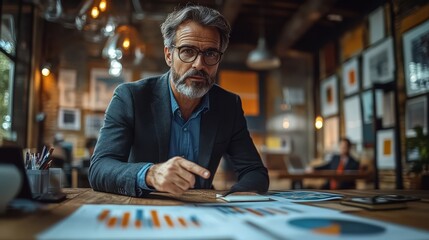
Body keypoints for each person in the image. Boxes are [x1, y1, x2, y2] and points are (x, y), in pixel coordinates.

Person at [89, 5, 269, 197]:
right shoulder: (130, 97)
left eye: (210, 53)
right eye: (187, 51)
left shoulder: (228, 105)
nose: (199, 64)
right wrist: (150, 174)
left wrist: (234, 198)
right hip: (145, 207)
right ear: (169, 55)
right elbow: (99, 168)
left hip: (204, 211)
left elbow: (255, 172)